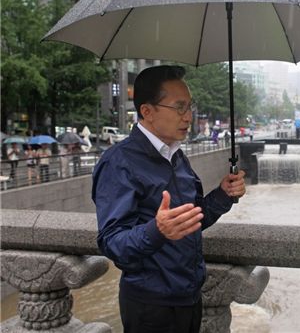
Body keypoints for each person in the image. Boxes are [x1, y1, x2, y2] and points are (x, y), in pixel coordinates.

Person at [92, 65, 246, 333]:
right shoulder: (119, 162)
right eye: (179, 107)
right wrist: (157, 230)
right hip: (150, 305)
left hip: (189, 296)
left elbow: (192, 219)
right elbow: (112, 242)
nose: (189, 116)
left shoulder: (176, 156)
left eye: (190, 107)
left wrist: (223, 195)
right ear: (147, 111)